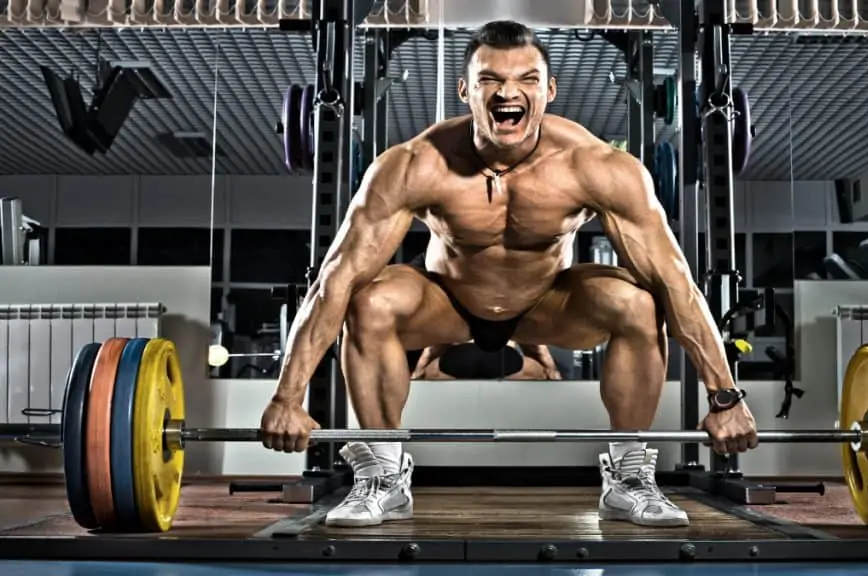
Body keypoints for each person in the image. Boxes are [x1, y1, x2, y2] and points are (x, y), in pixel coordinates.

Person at [260, 20, 758, 529]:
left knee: (639, 301)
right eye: (490, 80)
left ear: (549, 90)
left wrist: (724, 397)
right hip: (449, 303)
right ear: (466, 90)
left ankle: (629, 475)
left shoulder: (596, 167)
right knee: (368, 299)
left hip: (546, 304)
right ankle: (385, 476)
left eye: (526, 79)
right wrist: (287, 397)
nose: (508, 93)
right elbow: (334, 280)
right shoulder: (414, 164)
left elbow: (675, 280)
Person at [411, 340, 562, 380]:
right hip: (502, 357)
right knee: (539, 373)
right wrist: (552, 373)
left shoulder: (455, 300)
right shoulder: (513, 305)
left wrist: (417, 375)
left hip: (459, 356)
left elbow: (432, 348)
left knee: (431, 373)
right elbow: (538, 348)